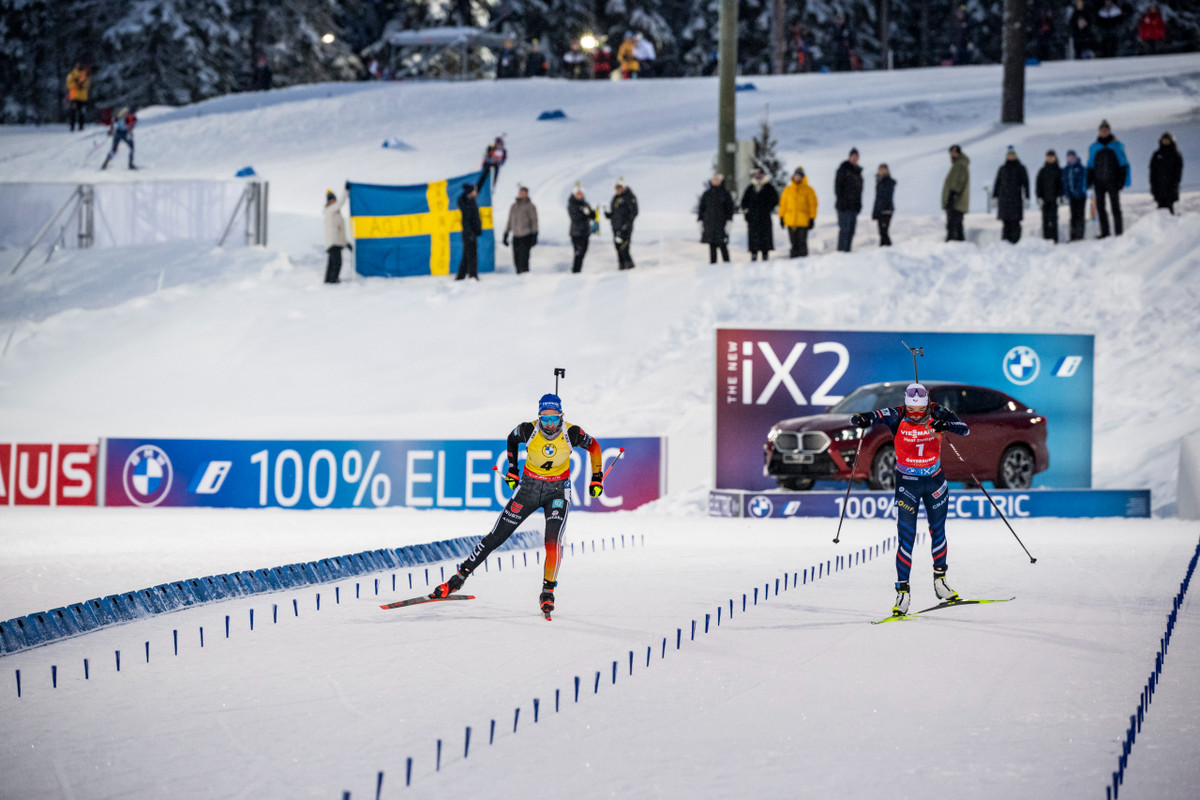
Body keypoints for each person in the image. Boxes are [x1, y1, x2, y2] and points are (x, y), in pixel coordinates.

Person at [429, 393, 604, 617]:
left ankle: (547, 592)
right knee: (495, 537)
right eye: (545, 419)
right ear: (539, 417)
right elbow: (512, 440)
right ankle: (457, 579)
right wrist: (513, 469)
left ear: (561, 417)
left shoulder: (572, 432)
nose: (549, 425)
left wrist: (597, 477)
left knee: (553, 542)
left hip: (558, 491)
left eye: (554, 419)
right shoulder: (527, 429)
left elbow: (595, 446)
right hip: (529, 489)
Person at [849, 383, 970, 617]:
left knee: (938, 531)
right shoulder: (897, 414)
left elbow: (964, 429)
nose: (916, 415)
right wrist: (861, 419)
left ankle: (940, 582)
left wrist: (946, 424)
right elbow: (871, 417)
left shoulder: (938, 411)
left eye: (920, 411)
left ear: (926, 405)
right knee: (906, 538)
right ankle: (902, 593)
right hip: (908, 484)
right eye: (912, 410)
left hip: (935, 481)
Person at [1087, 119, 1130, 237]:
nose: (1104, 132)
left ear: (1109, 131)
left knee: (1115, 207)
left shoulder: (1116, 145)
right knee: (1100, 208)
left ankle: (1119, 231)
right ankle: (1105, 232)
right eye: (1102, 130)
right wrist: (1089, 180)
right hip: (1099, 181)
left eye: (1106, 130)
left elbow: (1123, 164)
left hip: (1113, 181)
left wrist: (1122, 180)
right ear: (1099, 131)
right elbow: (1090, 165)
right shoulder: (1094, 147)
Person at [740, 167, 779, 261]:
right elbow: (744, 202)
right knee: (754, 237)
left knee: (765, 237)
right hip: (753, 218)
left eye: (759, 174)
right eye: (755, 174)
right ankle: (754, 254)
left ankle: (765, 254)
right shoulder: (750, 187)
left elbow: (775, 199)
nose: (757, 176)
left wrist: (768, 208)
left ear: (763, 175)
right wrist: (747, 212)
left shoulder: (768, 187)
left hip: (764, 217)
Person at [454, 173, 488, 281]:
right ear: (470, 193)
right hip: (469, 234)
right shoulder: (466, 203)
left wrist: (485, 171)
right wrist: (470, 233)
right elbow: (467, 221)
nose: (476, 193)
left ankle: (461, 277)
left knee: (466, 256)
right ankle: (473, 276)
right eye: (474, 191)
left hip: (471, 233)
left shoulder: (470, 201)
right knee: (472, 255)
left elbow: (479, 185)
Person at [993, 146, 1030, 244]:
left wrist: (1027, 197)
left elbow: (1026, 183)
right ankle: (1005, 243)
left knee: (1015, 222)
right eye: (1009, 155)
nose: (1010, 156)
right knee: (1006, 223)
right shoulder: (1002, 168)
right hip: (1004, 200)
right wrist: (994, 196)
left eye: (1012, 154)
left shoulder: (1021, 168)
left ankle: (1016, 242)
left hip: (1015, 200)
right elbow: (997, 183)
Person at [778, 165, 818, 258]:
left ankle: (803, 260)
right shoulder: (788, 190)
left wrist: (812, 218)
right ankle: (793, 259)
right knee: (793, 242)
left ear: (803, 177)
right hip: (790, 220)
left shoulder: (808, 190)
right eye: (796, 175)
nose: (797, 177)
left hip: (803, 220)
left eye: (799, 175)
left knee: (802, 242)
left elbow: (813, 205)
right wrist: (781, 217)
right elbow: (783, 204)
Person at [698, 173, 735, 263]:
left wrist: (729, 221)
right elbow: (701, 208)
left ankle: (727, 265)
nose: (715, 181)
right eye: (714, 179)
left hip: (721, 224)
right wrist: (700, 221)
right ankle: (712, 266)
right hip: (709, 225)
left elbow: (730, 209)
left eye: (718, 179)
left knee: (723, 245)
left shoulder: (726, 194)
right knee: (712, 246)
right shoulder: (706, 194)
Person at [503, 184, 539, 274]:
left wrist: (535, 234)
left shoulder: (530, 206)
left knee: (524, 258)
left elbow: (534, 221)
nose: (521, 194)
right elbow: (510, 220)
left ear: (526, 194)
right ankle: (518, 275)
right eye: (520, 192)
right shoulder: (513, 206)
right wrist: (506, 233)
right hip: (516, 236)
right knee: (516, 259)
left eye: (523, 193)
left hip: (526, 235)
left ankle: (525, 275)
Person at [834, 147, 863, 252]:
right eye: (853, 156)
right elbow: (837, 187)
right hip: (843, 207)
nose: (854, 159)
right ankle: (841, 251)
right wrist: (841, 201)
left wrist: (859, 204)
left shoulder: (858, 173)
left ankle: (847, 251)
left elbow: (859, 191)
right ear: (849, 157)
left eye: (856, 157)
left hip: (854, 207)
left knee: (851, 230)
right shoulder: (843, 169)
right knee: (844, 229)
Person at [607, 177, 638, 270]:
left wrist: (627, 224)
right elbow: (614, 212)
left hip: (625, 228)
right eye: (616, 187)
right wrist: (609, 215)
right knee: (618, 249)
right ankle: (621, 268)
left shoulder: (629, 197)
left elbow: (634, 212)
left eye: (619, 187)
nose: (618, 189)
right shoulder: (615, 198)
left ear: (624, 187)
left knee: (624, 248)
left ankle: (630, 268)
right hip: (616, 228)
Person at [1149, 132, 1183, 214]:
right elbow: (1152, 171)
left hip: (1170, 187)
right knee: (1160, 210)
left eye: (1167, 140)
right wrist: (1153, 186)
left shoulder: (1176, 155)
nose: (1165, 142)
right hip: (1159, 187)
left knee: (1169, 209)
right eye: (1164, 140)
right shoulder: (1157, 154)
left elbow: (1178, 172)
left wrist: (1175, 185)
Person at [942, 144, 970, 241]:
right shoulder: (958, 164)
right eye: (951, 152)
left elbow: (958, 183)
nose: (952, 154)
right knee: (957, 225)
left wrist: (952, 197)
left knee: (952, 225)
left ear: (959, 152)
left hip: (956, 202)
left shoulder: (959, 165)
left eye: (954, 152)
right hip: (957, 202)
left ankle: (952, 244)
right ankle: (960, 245)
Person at [323, 189, 351, 283]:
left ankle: (328, 280)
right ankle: (333, 280)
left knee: (332, 263)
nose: (333, 201)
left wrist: (346, 243)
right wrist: (346, 192)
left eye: (334, 199)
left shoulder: (335, 212)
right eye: (331, 199)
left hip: (335, 242)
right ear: (329, 201)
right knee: (337, 263)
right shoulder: (331, 209)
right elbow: (340, 204)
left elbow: (340, 230)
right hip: (333, 242)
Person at [1036, 150, 1064, 243]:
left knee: (1054, 219)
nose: (1050, 158)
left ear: (1055, 158)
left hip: (1054, 199)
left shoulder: (1059, 170)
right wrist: (1039, 197)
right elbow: (1038, 185)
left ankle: (1054, 239)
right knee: (1045, 220)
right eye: (1048, 156)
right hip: (1045, 200)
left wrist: (1060, 196)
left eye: (1052, 156)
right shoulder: (1042, 171)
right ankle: (1046, 239)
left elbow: (1061, 184)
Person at [567, 182, 596, 272]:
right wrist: (584, 213)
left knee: (583, 251)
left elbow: (593, 216)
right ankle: (576, 270)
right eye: (578, 193)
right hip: (576, 233)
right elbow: (575, 217)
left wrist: (590, 213)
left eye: (581, 193)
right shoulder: (572, 204)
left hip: (585, 232)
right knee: (579, 252)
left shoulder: (585, 204)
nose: (580, 195)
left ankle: (577, 269)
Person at [1062, 150, 1089, 240]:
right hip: (1072, 197)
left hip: (1081, 196)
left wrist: (1080, 191)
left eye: (1072, 156)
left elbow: (1083, 181)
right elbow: (1065, 183)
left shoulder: (1081, 168)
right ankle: (1073, 236)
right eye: (1069, 156)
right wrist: (1066, 194)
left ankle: (1080, 235)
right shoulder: (1066, 170)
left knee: (1080, 215)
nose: (1070, 158)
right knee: (1073, 216)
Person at [872, 164, 896, 247]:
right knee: (881, 232)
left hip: (886, 210)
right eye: (880, 169)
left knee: (884, 231)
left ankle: (887, 249)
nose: (882, 171)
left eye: (884, 169)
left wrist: (880, 209)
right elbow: (877, 198)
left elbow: (885, 197)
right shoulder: (879, 182)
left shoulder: (888, 181)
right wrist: (875, 211)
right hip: (880, 210)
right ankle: (884, 249)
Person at [66, 62, 91, 132]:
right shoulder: (72, 75)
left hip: (83, 98)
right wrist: (76, 85)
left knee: (82, 113)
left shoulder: (85, 75)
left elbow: (88, 84)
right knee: (73, 113)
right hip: (74, 97)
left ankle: (81, 127)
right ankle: (72, 127)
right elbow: (68, 85)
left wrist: (82, 86)